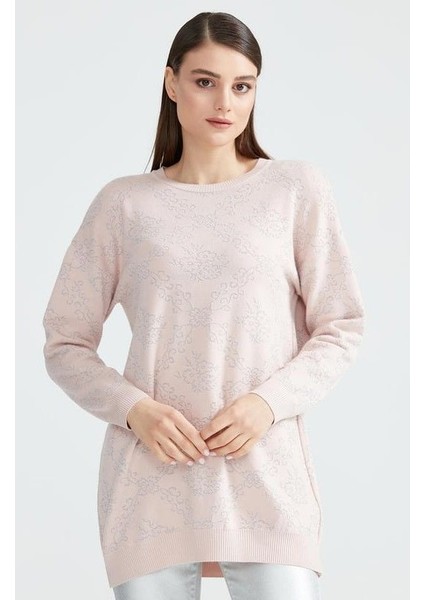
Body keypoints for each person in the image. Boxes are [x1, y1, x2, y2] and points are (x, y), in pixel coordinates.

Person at [42, 11, 365, 600]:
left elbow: (340, 326)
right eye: (204, 81)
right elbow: (65, 343)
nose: (224, 102)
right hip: (149, 482)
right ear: (172, 83)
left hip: (268, 475)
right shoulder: (124, 205)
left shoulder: (295, 190)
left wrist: (268, 404)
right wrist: (134, 409)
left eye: (242, 86)